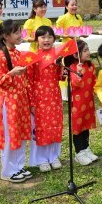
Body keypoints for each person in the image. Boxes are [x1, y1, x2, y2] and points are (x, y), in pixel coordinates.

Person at [0, 20, 32, 183]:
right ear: (5, 36)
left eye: (20, 32)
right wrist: (12, 73)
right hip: (10, 102)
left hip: (21, 100)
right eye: (16, 32)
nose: (20, 35)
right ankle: (8, 170)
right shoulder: (2, 56)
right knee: (11, 135)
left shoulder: (17, 52)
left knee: (22, 133)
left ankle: (18, 166)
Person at [27, 26, 63, 172]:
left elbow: (60, 77)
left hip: (54, 95)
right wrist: (32, 102)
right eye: (43, 37)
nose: (46, 40)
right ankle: (41, 159)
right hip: (39, 96)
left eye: (49, 37)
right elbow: (29, 81)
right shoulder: (33, 57)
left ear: (54, 39)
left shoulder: (57, 56)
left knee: (54, 125)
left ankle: (54, 156)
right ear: (37, 40)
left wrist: (63, 67)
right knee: (41, 127)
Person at [64, 40, 98, 166]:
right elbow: (75, 84)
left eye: (88, 49)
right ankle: (79, 152)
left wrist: (98, 93)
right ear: (75, 55)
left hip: (88, 101)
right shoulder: (72, 68)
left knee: (86, 125)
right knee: (78, 127)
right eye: (84, 51)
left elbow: (95, 81)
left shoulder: (90, 65)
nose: (88, 52)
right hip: (77, 103)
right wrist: (78, 73)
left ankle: (86, 148)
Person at [55, 0, 84, 101]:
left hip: (77, 45)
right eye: (72, 5)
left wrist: (83, 34)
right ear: (66, 6)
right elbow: (57, 32)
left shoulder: (79, 17)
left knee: (77, 66)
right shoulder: (62, 18)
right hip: (67, 47)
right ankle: (66, 93)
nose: (74, 7)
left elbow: (81, 30)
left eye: (75, 4)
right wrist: (67, 35)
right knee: (67, 68)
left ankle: (77, 87)